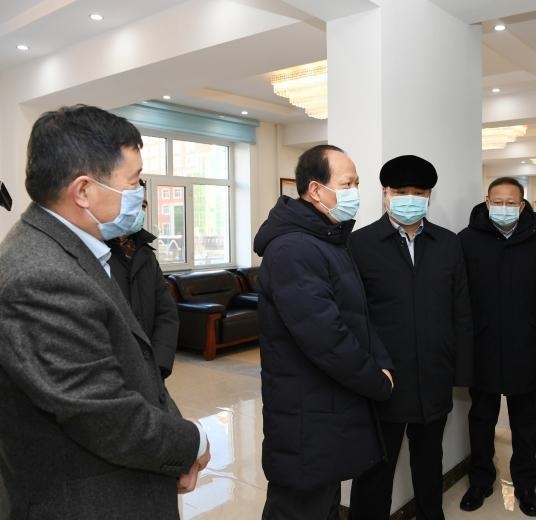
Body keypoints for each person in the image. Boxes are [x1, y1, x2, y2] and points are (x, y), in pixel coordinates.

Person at [0, 105, 209, 520]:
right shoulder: (40, 275)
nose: (139, 193)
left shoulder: (73, 252)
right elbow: (104, 414)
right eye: (133, 181)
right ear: (84, 191)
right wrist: (194, 442)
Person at [253, 144, 395, 520]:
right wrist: (375, 380)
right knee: (300, 507)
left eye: (357, 184)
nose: (355, 193)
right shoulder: (293, 249)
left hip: (327, 408)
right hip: (306, 413)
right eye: (347, 184)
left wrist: (380, 361)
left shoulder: (328, 240)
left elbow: (357, 316)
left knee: (324, 503)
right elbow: (326, 336)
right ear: (316, 190)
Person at [348, 155, 473, 520]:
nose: (409, 199)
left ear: (429, 196)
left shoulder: (448, 243)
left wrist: (462, 370)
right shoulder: (360, 244)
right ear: (385, 194)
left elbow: (461, 310)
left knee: (429, 461)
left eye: (418, 192)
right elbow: (353, 317)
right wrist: (363, 373)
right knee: (375, 468)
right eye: (401, 191)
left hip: (435, 374)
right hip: (383, 379)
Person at [458, 177, 536, 517]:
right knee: (481, 418)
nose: (503, 208)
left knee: (524, 421)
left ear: (521, 205)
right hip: (482, 345)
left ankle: (525, 484)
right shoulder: (467, 239)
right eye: (497, 201)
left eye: (510, 202)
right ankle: (480, 480)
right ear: (487, 201)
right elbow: (458, 297)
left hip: (526, 344)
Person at [108, 179, 179, 379]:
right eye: (135, 204)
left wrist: (159, 364)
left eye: (144, 206)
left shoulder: (146, 254)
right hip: (113, 373)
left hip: (150, 369)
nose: (140, 211)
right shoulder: (94, 251)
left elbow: (166, 313)